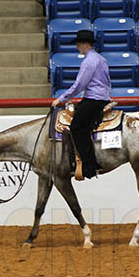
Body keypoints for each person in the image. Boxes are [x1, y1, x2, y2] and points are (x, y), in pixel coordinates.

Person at [51, 30, 111, 180]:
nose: (77, 47)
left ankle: (89, 166)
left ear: (85, 44)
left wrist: (62, 98)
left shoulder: (89, 61)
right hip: (102, 97)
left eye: (78, 44)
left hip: (93, 99)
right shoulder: (101, 59)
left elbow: (80, 85)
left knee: (77, 127)